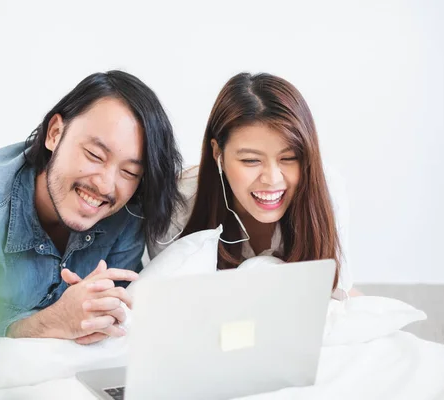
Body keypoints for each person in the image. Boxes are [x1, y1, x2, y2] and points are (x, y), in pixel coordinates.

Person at [0, 70, 184, 343]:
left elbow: (117, 309)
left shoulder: (127, 210)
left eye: (130, 172)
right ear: (55, 133)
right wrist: (47, 323)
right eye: (95, 155)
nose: (106, 186)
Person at [148, 72, 358, 298]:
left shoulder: (326, 189)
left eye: (288, 159)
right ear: (218, 152)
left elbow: (335, 294)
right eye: (251, 160)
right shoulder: (178, 204)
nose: (272, 179)